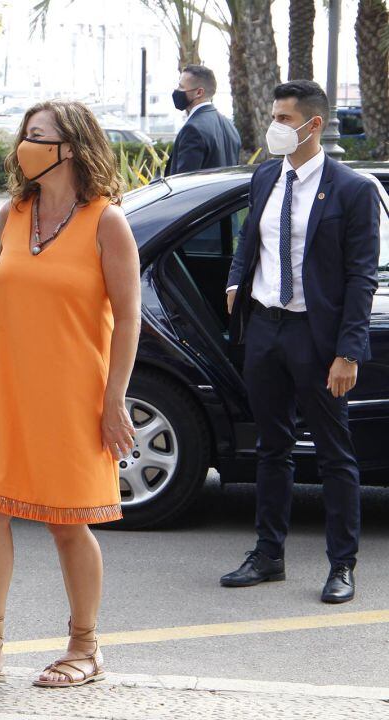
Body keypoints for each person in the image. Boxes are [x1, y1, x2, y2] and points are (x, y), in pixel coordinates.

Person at [0, 100, 140, 688]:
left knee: (69, 522)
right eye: (25, 135)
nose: (24, 146)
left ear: (68, 148)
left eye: (37, 136)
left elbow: (128, 319)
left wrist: (114, 398)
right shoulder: (13, 213)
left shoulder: (106, 221)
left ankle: (86, 647)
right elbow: (2, 282)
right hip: (9, 385)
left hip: (74, 390)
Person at [222, 80, 380, 604]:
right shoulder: (266, 175)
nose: (275, 128)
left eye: (284, 120)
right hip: (266, 327)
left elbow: (361, 277)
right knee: (272, 448)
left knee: (335, 454)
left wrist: (348, 351)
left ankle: (342, 565)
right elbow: (251, 237)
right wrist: (235, 279)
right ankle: (268, 555)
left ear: (313, 125)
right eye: (274, 117)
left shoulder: (352, 190)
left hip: (317, 335)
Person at [165, 65, 241, 175]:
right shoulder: (229, 125)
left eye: (181, 87)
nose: (177, 91)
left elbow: (184, 183)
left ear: (199, 92)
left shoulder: (192, 129)